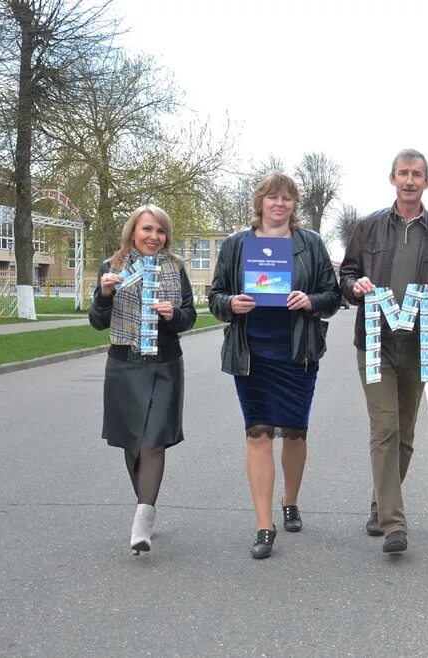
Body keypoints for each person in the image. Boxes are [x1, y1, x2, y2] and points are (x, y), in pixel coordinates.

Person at [339, 149, 428, 554]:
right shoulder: (368, 228)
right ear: (392, 178)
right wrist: (354, 286)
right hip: (376, 341)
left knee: (406, 433)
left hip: (420, 342)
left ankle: (380, 505)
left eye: (417, 175)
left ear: (427, 182)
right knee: (386, 428)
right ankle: (394, 524)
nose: (410, 180)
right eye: (403, 173)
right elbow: (347, 273)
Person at [209, 172, 341, 559]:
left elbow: (333, 296)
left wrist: (311, 301)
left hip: (296, 352)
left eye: (287, 199)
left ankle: (290, 500)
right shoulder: (237, 244)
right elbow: (215, 296)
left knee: (295, 433)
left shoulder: (311, 244)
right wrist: (231, 304)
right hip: (251, 353)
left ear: (294, 205)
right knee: (258, 433)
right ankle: (264, 525)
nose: (280, 204)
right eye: (273, 198)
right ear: (260, 202)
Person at [89, 204, 197, 555]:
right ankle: (145, 506)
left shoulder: (176, 268)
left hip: (165, 363)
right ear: (133, 231)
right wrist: (104, 294)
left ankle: (142, 518)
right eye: (147, 229)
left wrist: (174, 314)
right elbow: (97, 321)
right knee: (131, 442)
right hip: (124, 363)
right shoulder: (112, 267)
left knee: (153, 441)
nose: (154, 237)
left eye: (160, 231)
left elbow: (190, 317)